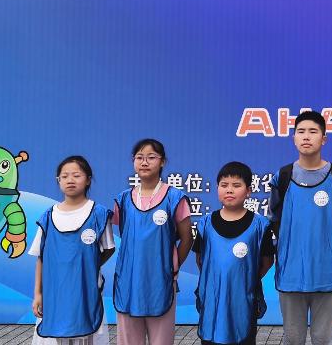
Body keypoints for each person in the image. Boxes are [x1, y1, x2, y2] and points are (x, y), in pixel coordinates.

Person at [269, 111, 332, 345]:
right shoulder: (282, 176)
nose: (306, 136)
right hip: (291, 272)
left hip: (327, 271)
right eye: (301, 132)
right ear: (294, 138)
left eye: (313, 131)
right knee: (293, 339)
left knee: (322, 339)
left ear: (324, 139)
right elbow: (274, 219)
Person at [112, 139, 193, 345]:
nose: (144, 162)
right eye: (139, 157)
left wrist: (172, 266)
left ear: (162, 161)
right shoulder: (123, 200)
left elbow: (187, 238)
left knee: (161, 340)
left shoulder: (175, 198)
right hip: (129, 281)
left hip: (160, 281)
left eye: (151, 157)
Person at [30, 155, 114, 344]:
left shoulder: (99, 214)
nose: (70, 180)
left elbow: (108, 249)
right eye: (65, 176)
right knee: (56, 335)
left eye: (76, 175)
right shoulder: (48, 217)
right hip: (55, 292)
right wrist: (38, 294)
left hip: (86, 291)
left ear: (88, 180)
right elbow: (41, 258)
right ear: (58, 180)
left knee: (87, 332)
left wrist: (86, 266)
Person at [193, 162, 275, 345]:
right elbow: (200, 259)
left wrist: (245, 278)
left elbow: (267, 260)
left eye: (236, 185)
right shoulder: (205, 224)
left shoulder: (260, 225)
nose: (229, 190)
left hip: (244, 300)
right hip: (212, 299)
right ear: (217, 188)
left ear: (248, 191)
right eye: (224, 185)